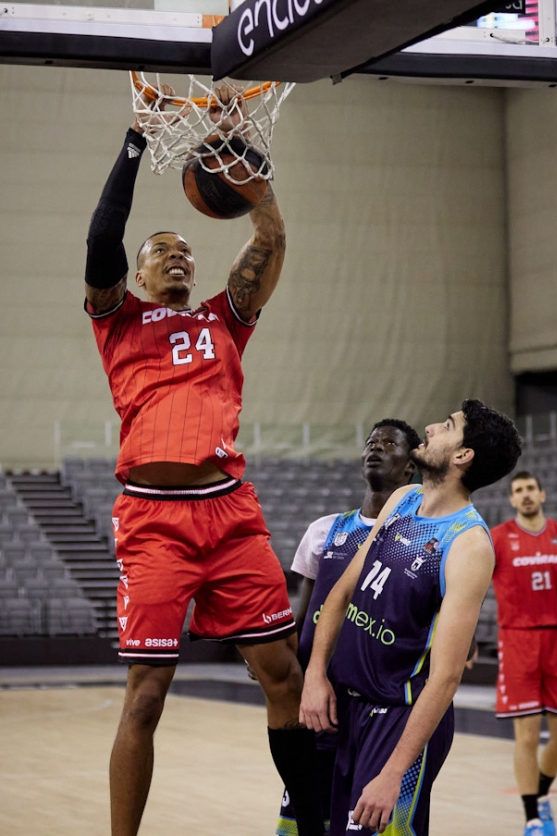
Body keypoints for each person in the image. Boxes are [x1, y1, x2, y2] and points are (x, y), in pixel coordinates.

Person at [84, 84, 323, 836]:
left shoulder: (227, 319)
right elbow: (101, 239)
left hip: (229, 513)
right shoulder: (118, 320)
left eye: (186, 249)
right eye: (163, 252)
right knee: (147, 692)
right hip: (154, 521)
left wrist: (245, 164)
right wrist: (134, 140)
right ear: (141, 275)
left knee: (280, 675)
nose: (179, 256)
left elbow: (271, 241)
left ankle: (306, 820)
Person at [300, 399, 522, 836]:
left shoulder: (468, 544)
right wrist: (314, 674)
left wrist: (393, 772)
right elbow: (341, 593)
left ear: (463, 456)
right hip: (348, 708)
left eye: (449, 425)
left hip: (399, 719)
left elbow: (446, 677)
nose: (432, 427)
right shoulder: (403, 499)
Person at [276, 418, 421, 836]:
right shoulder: (325, 530)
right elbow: (303, 619)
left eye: (389, 443)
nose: (375, 448)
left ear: (410, 466)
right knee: (305, 824)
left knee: (363, 826)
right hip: (318, 704)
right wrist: (279, 654)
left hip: (378, 707)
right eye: (370, 442)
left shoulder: (417, 540)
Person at [491, 471, 557, 836]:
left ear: (542, 494)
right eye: (519, 491)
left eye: (531, 488)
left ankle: (543, 791)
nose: (526, 495)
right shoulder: (498, 538)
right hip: (517, 640)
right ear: (512, 500)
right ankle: (532, 818)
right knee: (527, 735)